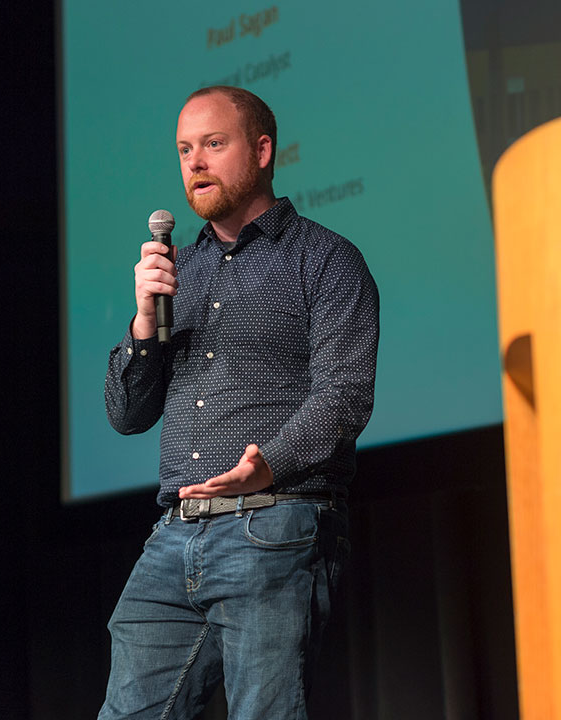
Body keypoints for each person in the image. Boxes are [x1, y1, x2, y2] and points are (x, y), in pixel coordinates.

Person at [100, 85, 379, 719]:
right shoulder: (179, 272)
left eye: (213, 144)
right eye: (183, 149)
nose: (194, 163)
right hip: (173, 533)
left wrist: (269, 462)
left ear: (261, 150)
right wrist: (145, 323)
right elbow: (126, 414)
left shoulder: (327, 261)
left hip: (272, 522)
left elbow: (343, 396)